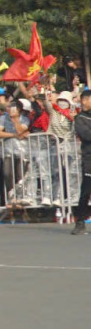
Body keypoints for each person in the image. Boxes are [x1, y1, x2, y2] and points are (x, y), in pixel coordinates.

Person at [74, 89, 91, 235]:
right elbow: (86, 135)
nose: (86, 102)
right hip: (89, 159)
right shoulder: (80, 118)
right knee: (86, 191)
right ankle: (80, 222)